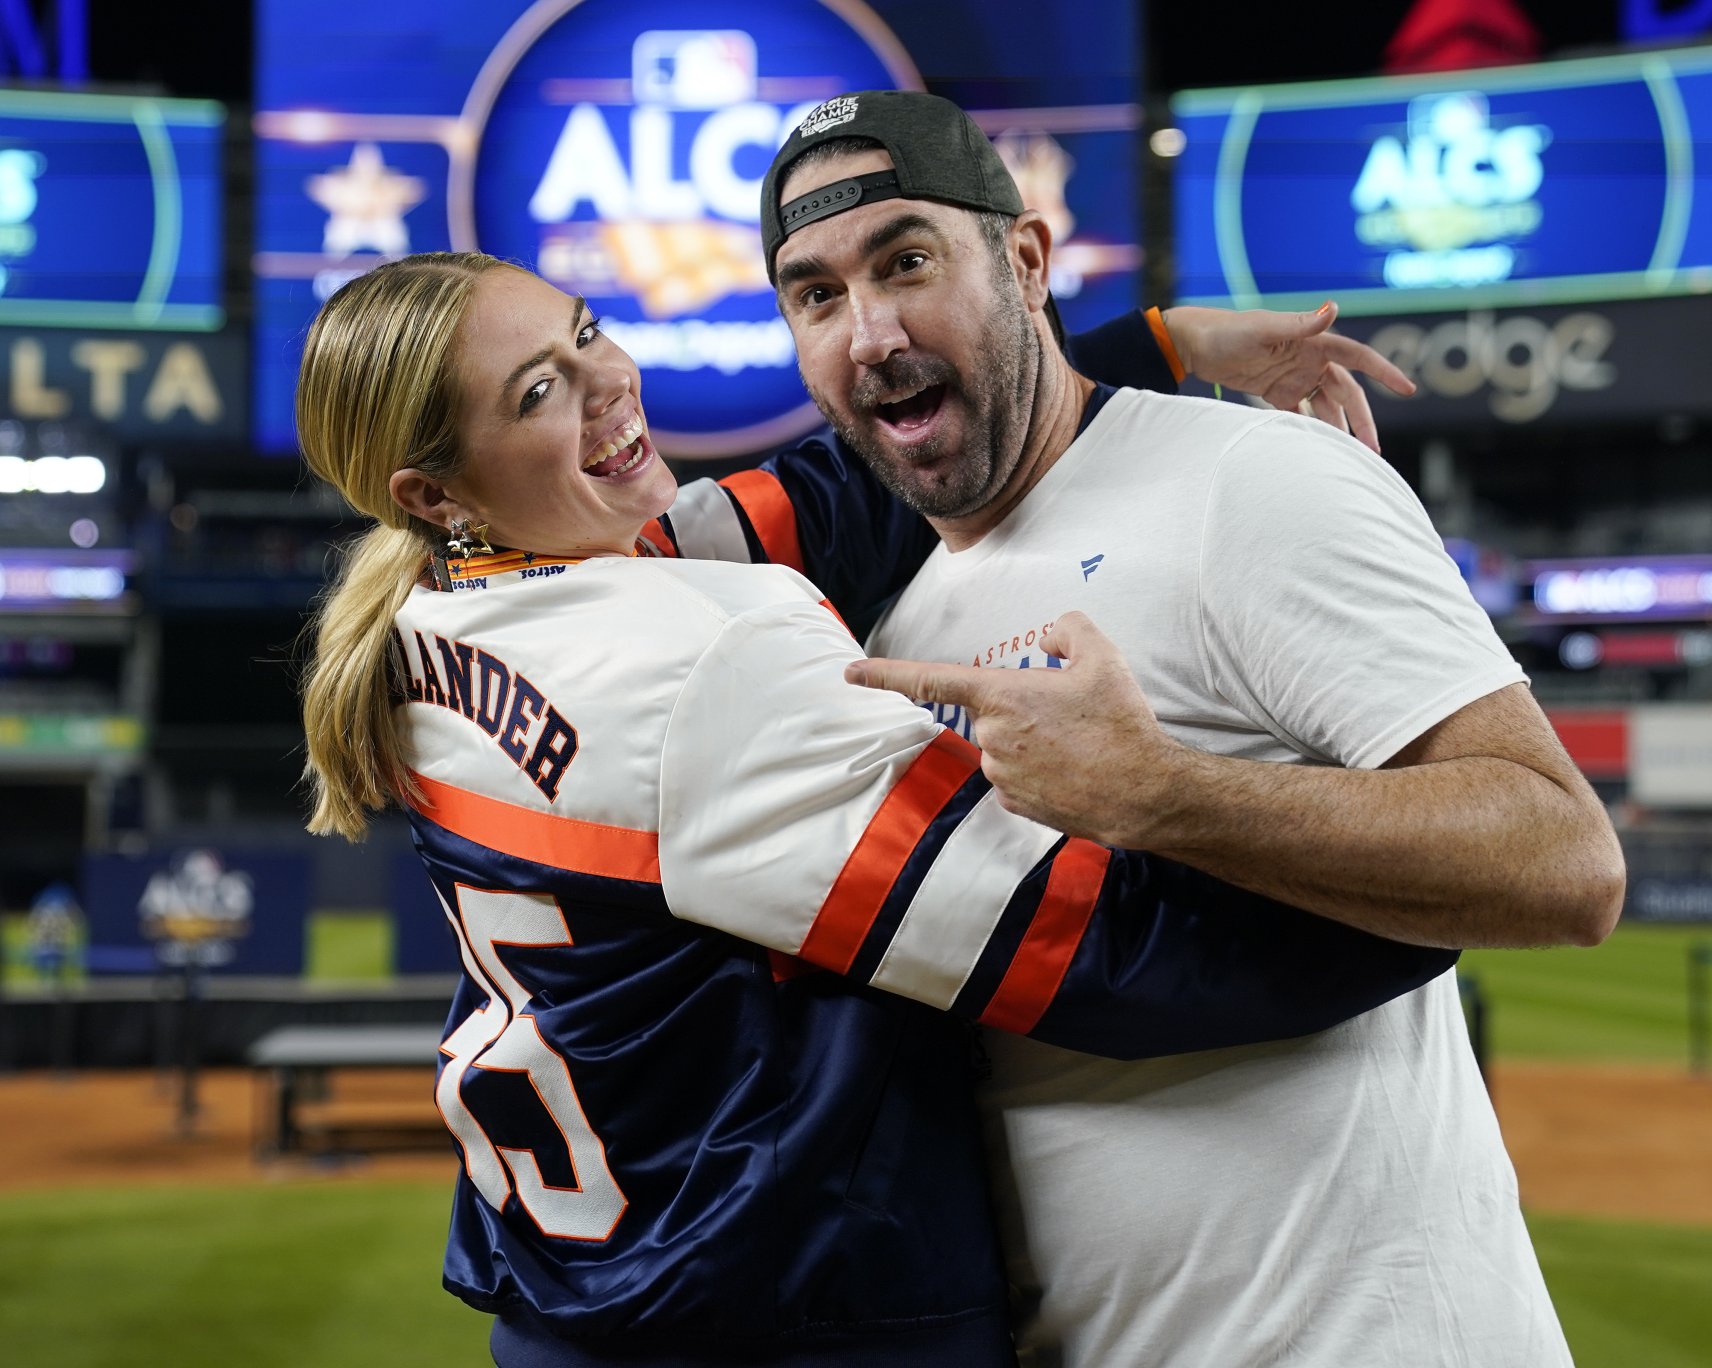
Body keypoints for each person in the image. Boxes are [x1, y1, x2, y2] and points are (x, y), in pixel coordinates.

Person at [292, 250, 1458, 1367]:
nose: (607, 382)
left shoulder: (441, 613)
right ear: (432, 491)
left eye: (585, 332)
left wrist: (1153, 346)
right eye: (541, 389)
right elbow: (1091, 946)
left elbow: (832, 494)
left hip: (584, 1297)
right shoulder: (695, 653)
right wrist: (1432, 877)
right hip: (779, 1310)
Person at [743, 91, 1626, 1367]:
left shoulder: (1255, 480)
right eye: (815, 295)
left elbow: (1563, 861)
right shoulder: (893, 625)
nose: (871, 333)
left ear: (1026, 262)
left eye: (907, 261)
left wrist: (1160, 792)